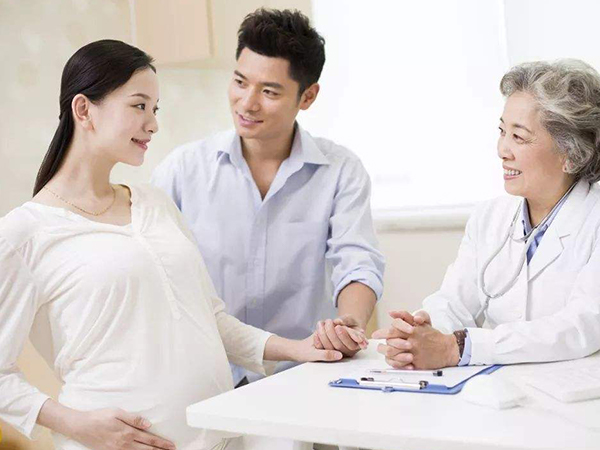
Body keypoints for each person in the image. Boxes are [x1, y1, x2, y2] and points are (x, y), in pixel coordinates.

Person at [0, 39, 350, 450]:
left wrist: (300, 349)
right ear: (83, 109)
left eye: (155, 109)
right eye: (139, 106)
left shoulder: (154, 203)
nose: (153, 124)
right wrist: (76, 424)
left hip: (218, 438)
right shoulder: (25, 233)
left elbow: (212, 319)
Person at [152, 8, 384, 386]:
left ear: (307, 96)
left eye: (269, 91)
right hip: (205, 374)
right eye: (240, 82)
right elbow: (152, 271)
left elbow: (358, 262)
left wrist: (349, 324)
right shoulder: (182, 170)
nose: (247, 103)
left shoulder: (341, 171)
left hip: (303, 373)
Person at [374, 59, 600, 369]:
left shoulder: (594, 220)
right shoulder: (489, 217)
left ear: (571, 153)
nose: (502, 150)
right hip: (503, 388)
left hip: (577, 391)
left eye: (519, 137)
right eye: (502, 131)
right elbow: (453, 302)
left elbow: (581, 326)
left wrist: (460, 348)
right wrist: (418, 333)